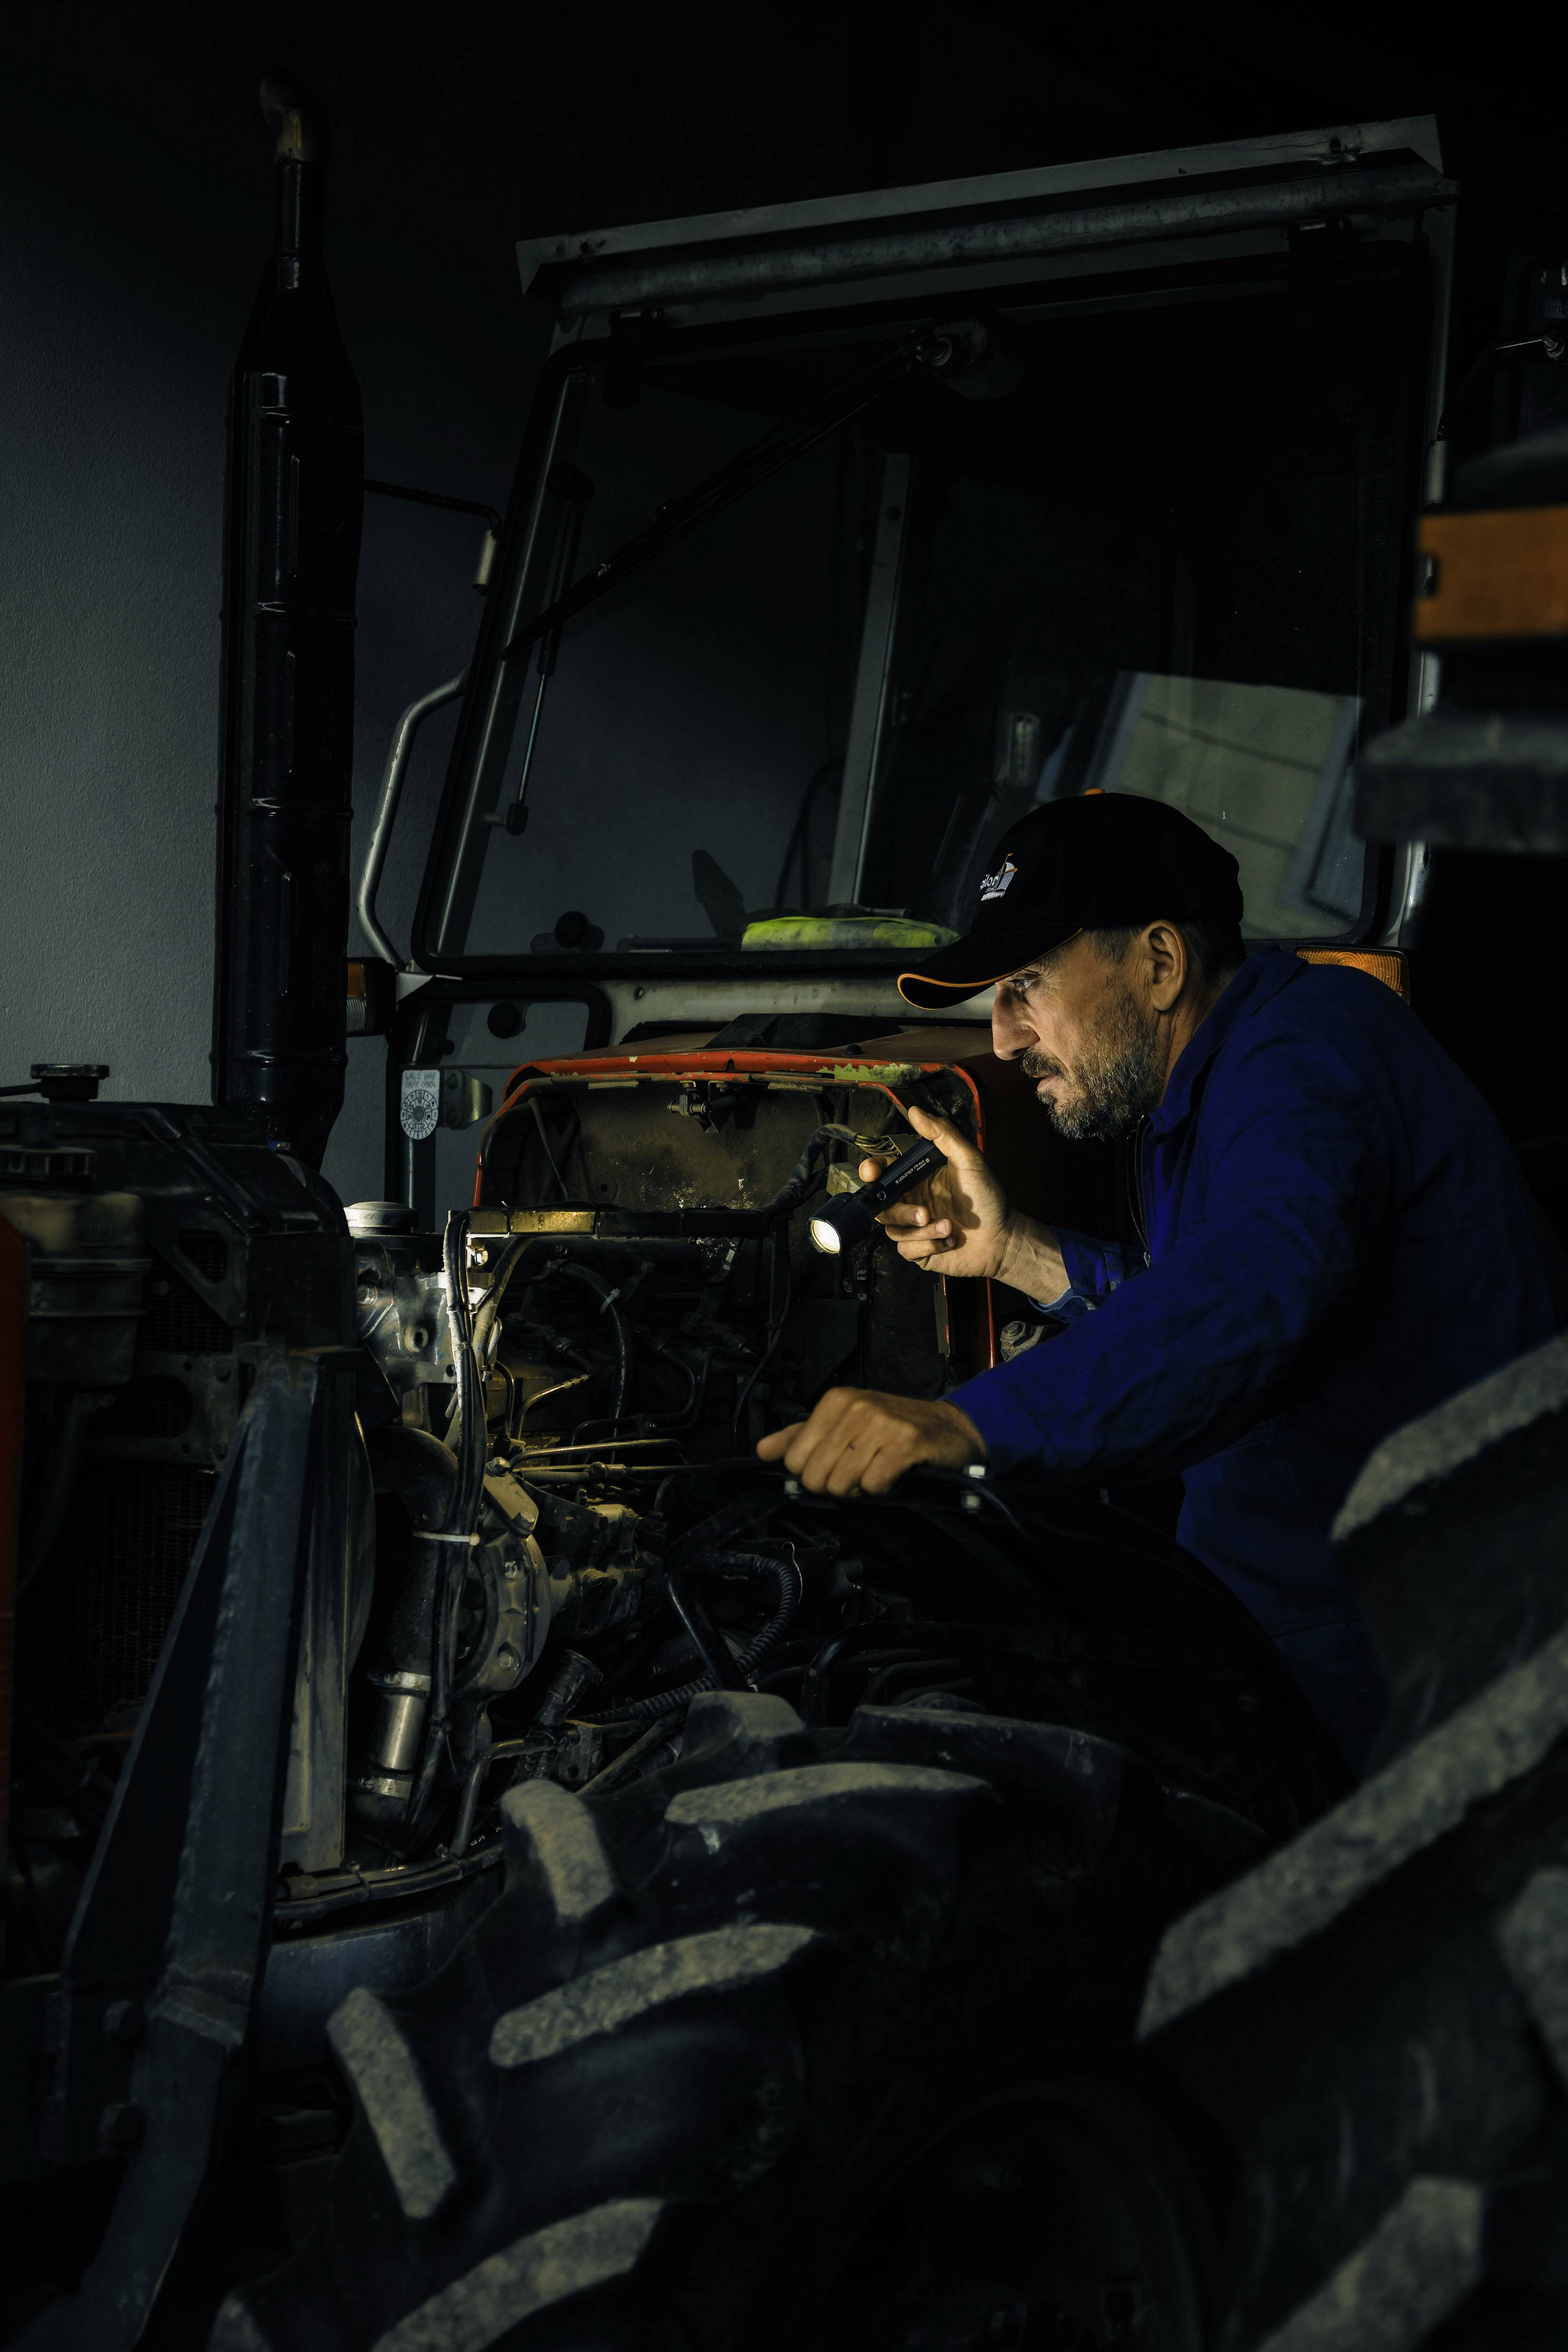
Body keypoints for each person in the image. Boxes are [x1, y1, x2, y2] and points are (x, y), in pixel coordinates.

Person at [757, 792, 1565, 1768]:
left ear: (1157, 962)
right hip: (1298, 1631)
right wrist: (1011, 1251)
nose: (1004, 1039)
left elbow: (1256, 1289)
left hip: (1416, 1672)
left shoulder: (1306, 1052)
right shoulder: (1198, 1089)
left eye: (1025, 984)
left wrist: (967, 1425)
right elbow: (1191, 1296)